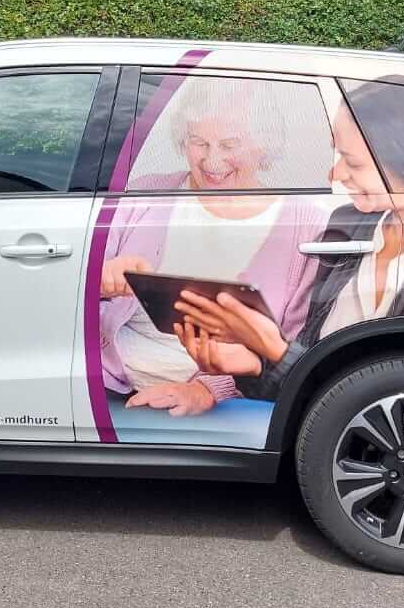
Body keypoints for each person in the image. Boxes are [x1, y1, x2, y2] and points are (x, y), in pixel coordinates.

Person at [173, 77, 404, 399]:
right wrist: (254, 365)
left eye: (352, 162)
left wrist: (277, 352)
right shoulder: (348, 227)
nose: (336, 173)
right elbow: (310, 378)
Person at [98, 77, 328, 416]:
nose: (211, 160)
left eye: (229, 144)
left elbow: (293, 348)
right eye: (198, 142)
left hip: (224, 408)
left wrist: (207, 390)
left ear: (264, 145)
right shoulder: (143, 194)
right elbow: (73, 294)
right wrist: (100, 281)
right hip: (109, 388)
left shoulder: (306, 224)